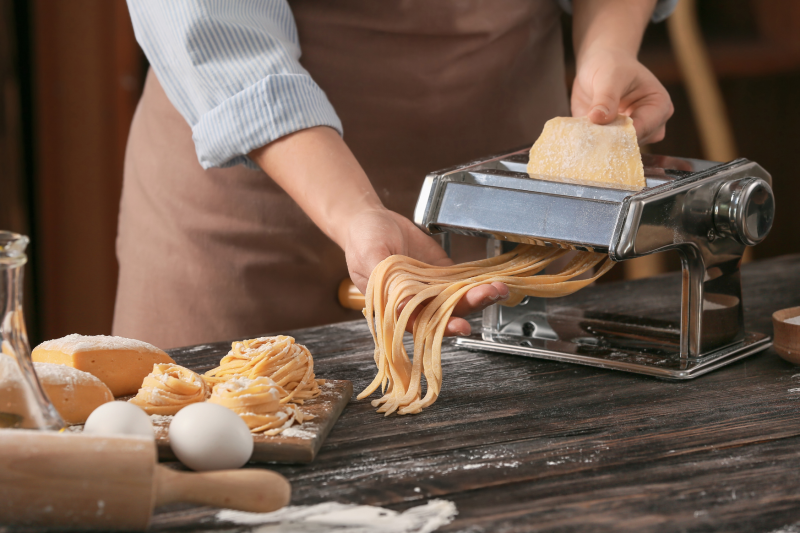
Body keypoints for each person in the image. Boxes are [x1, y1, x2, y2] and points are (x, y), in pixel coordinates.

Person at [115, 0, 675, 349]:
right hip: (251, 192)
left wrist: (606, 50)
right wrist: (353, 210)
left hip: (509, 194)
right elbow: (214, 26)